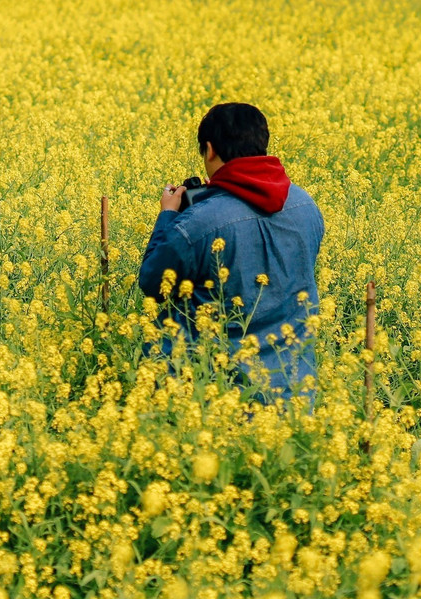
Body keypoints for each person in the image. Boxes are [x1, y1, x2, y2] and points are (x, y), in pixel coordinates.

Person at [138, 102, 324, 404]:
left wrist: (169, 216)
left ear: (210, 150)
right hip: (292, 396)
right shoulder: (306, 205)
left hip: (212, 397)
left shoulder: (199, 222)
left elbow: (153, 284)